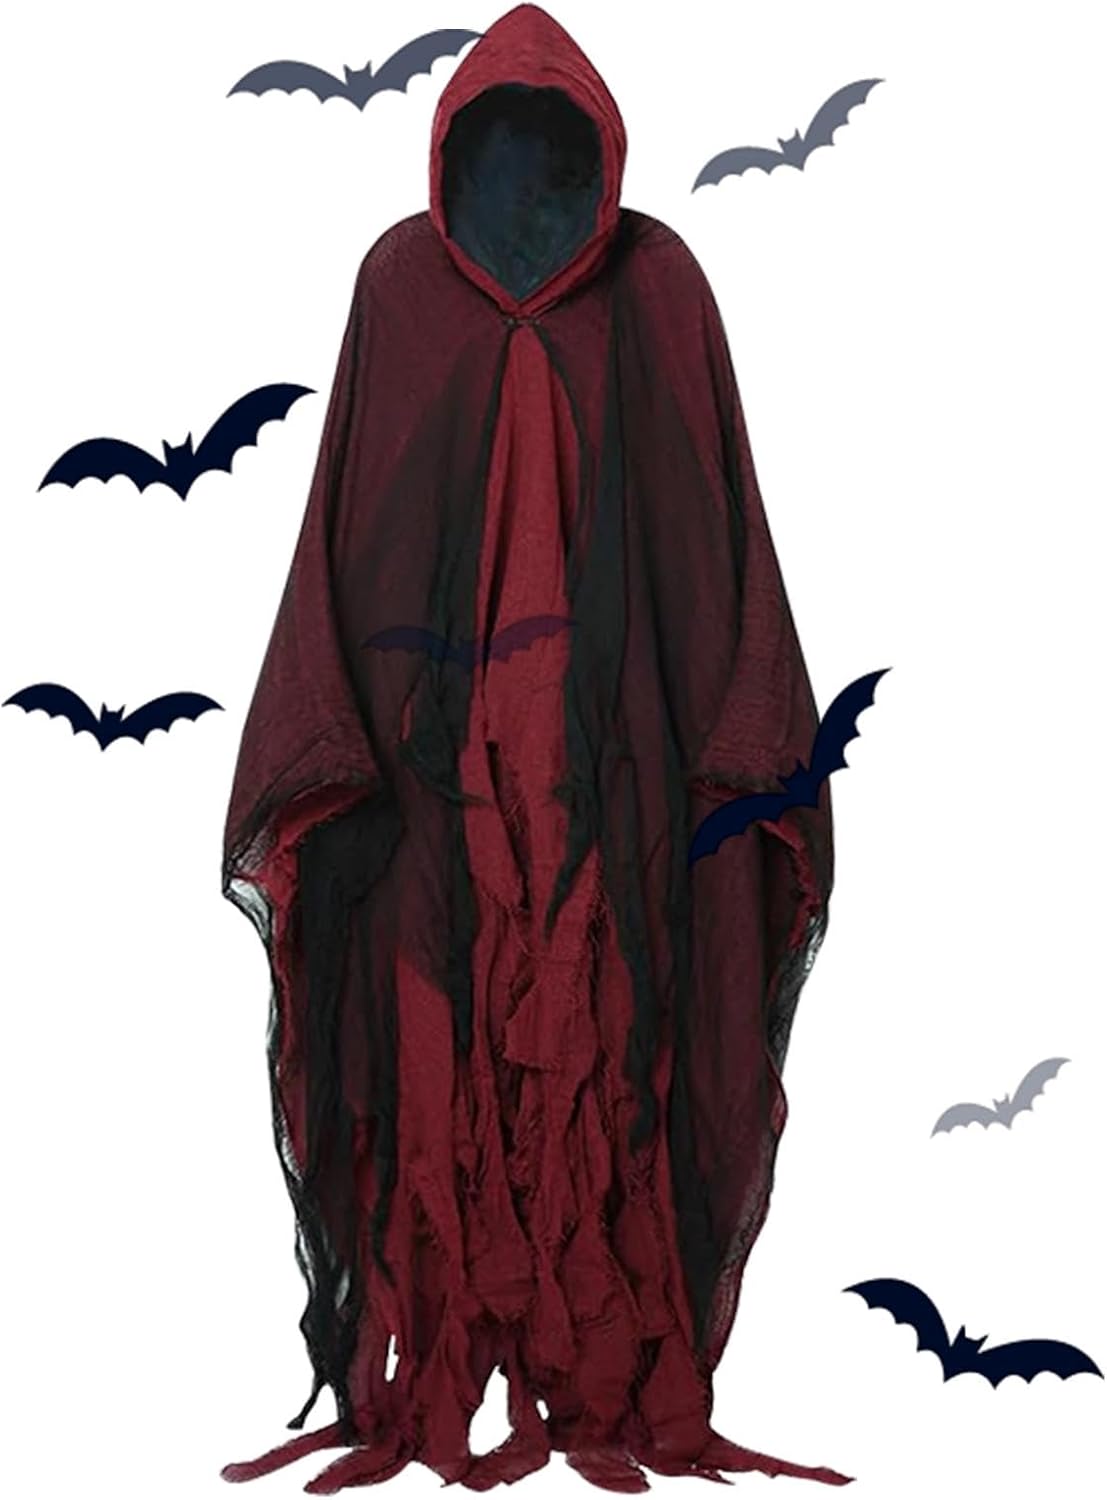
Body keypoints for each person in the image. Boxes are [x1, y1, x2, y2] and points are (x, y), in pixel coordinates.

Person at [219, 4, 844, 1491]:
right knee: (435, 1063)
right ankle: (442, 1356)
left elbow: (715, 528)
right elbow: (350, 528)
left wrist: (746, 741)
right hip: (429, 781)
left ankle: (605, 1367)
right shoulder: (397, 284)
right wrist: (330, 738)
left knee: (611, 1047)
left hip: (618, 775)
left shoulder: (662, 284)